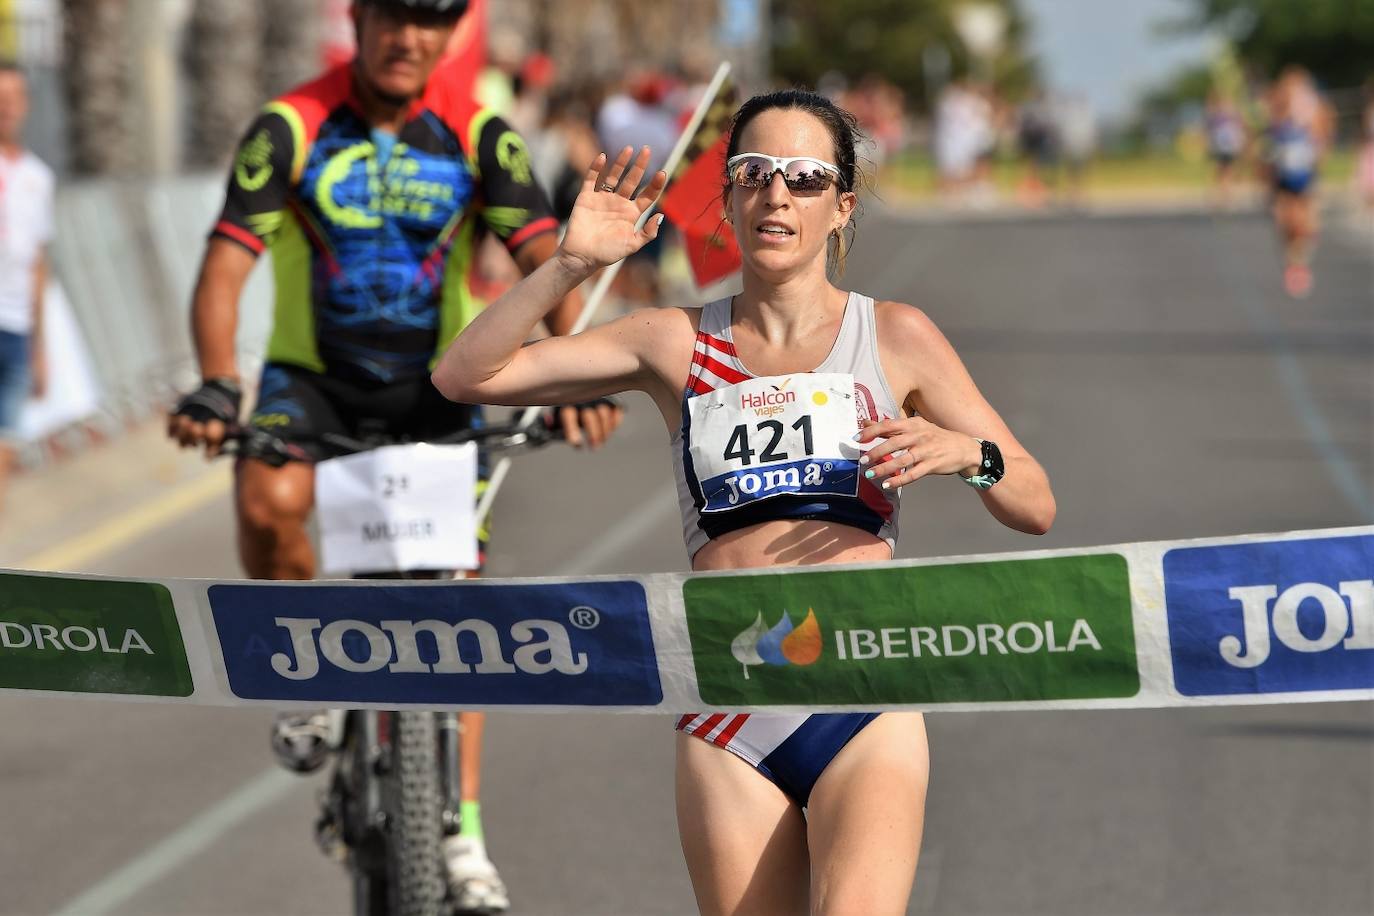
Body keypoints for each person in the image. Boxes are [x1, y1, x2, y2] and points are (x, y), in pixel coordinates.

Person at [433, 89, 1056, 914]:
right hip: (732, 705)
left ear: (841, 206)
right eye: (754, 173)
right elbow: (463, 375)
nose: (777, 195)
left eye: (803, 178)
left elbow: (1034, 500)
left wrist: (966, 454)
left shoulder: (896, 336)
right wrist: (572, 266)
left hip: (862, 696)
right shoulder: (674, 341)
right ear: (726, 198)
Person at [166, 1, 620, 910]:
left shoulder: (480, 135)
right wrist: (219, 385)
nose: (410, 37)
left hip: (442, 383)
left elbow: (553, 265)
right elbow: (225, 269)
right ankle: (305, 671)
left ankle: (465, 837)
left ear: (450, 32)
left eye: (434, 19)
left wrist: (579, 376)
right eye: (393, 17)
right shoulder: (291, 127)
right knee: (265, 502)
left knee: (457, 595)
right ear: (360, 19)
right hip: (314, 379)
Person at [0, 62, 52, 517]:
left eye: (14, 97)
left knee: (7, 442)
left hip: (16, 328)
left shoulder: (38, 177)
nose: (6, 106)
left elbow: (37, 263)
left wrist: (41, 346)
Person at [1263, 66, 1334, 298]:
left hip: (1305, 174)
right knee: (1285, 221)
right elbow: (1267, 145)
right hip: (1283, 176)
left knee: (1304, 221)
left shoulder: (1314, 111)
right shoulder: (1277, 113)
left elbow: (1324, 137)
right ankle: (1293, 261)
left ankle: (1300, 262)